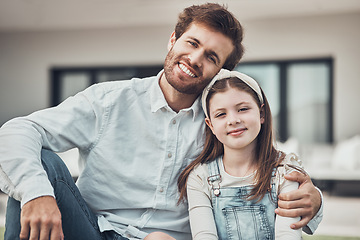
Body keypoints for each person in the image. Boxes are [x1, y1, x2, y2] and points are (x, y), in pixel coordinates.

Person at [0, 3, 322, 240]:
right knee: (40, 164)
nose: (195, 59)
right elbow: (17, 131)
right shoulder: (110, 100)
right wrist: (36, 193)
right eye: (192, 43)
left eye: (211, 57)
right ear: (173, 40)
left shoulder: (222, 123)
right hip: (93, 231)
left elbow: (267, 169)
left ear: (221, 71)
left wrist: (315, 200)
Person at [176, 69, 312, 239]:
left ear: (261, 114)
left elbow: (288, 234)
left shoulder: (285, 172)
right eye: (221, 114)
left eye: (242, 109)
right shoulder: (199, 177)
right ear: (210, 125)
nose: (233, 120)